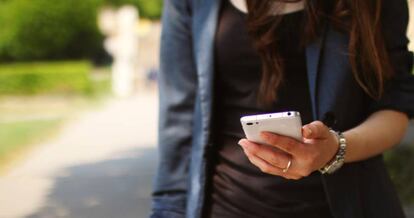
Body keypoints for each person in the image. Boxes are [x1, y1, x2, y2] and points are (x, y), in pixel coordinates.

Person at [151, 0, 414, 217]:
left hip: (351, 205)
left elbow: (394, 108)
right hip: (224, 207)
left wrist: (335, 149)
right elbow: (178, 127)